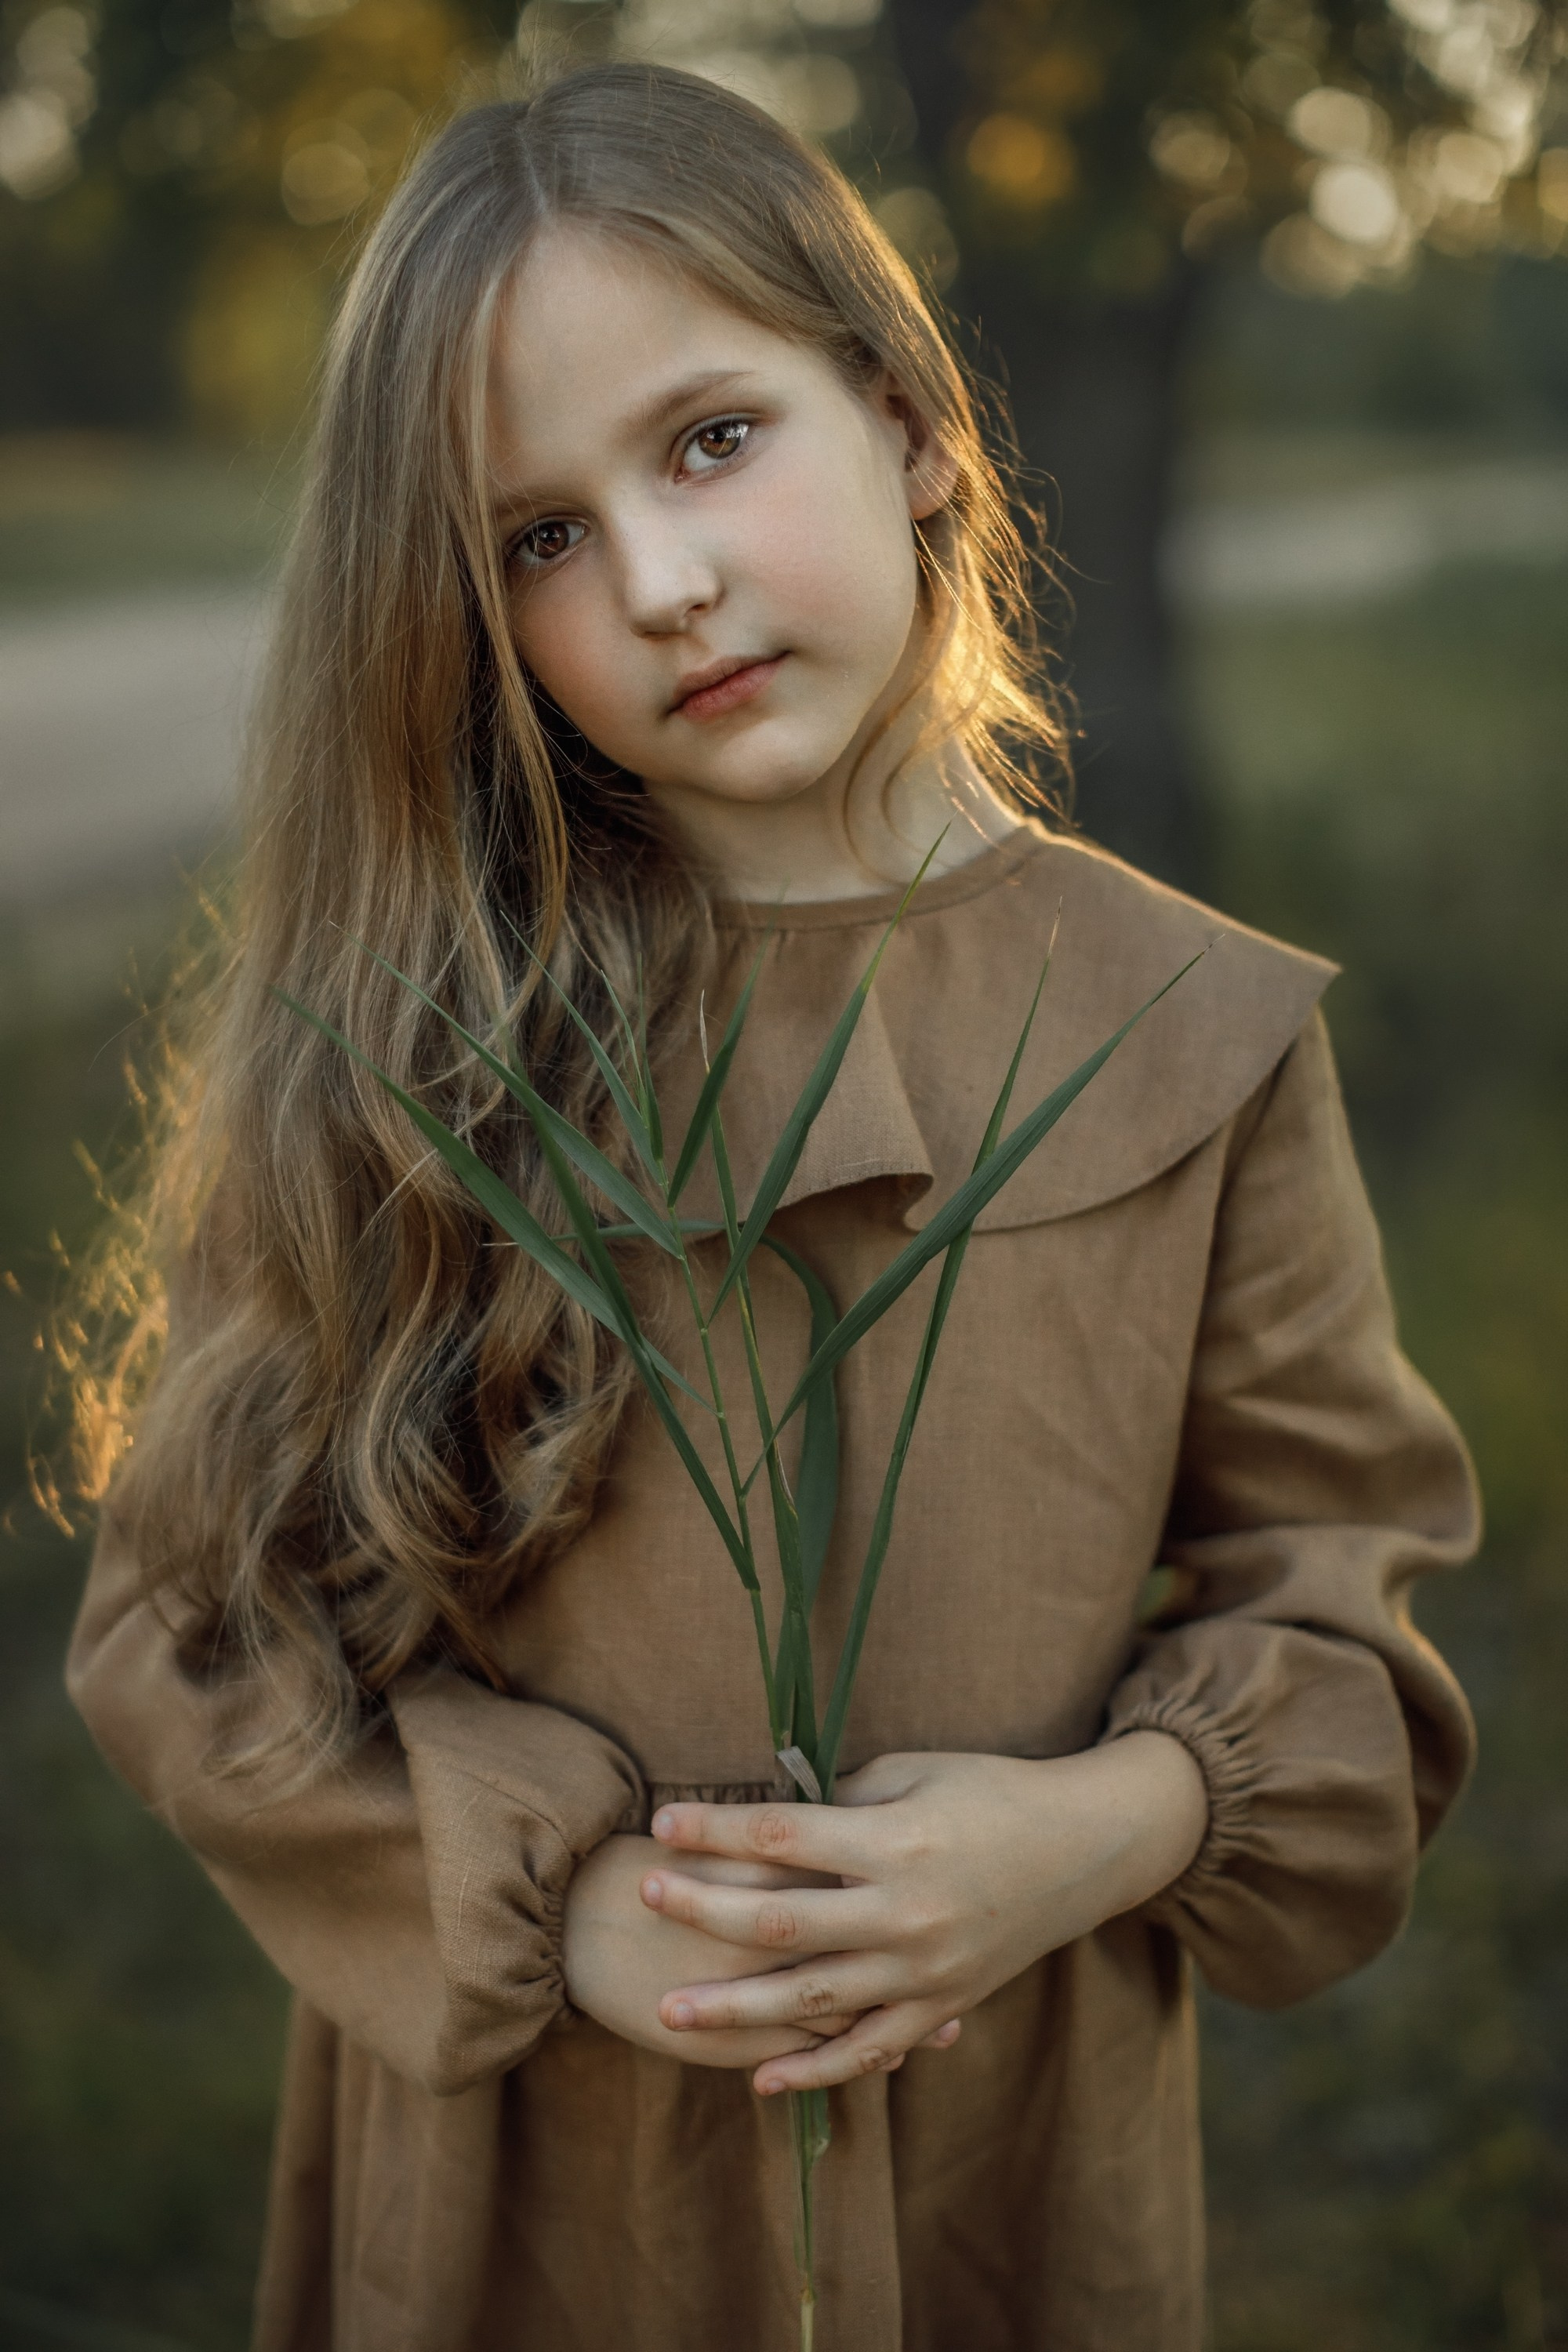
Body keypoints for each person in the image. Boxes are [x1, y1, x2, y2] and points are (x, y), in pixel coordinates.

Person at [64, 62, 1479, 2352]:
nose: (663, 580)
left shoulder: (1192, 1032)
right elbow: (184, 1630)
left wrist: (1092, 1833)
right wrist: (558, 1898)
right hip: (538, 2178)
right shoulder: (420, 1044)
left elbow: (1344, 1661)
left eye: (711, 439)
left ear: (912, 422)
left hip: (1011, 2145)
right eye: (537, 534)